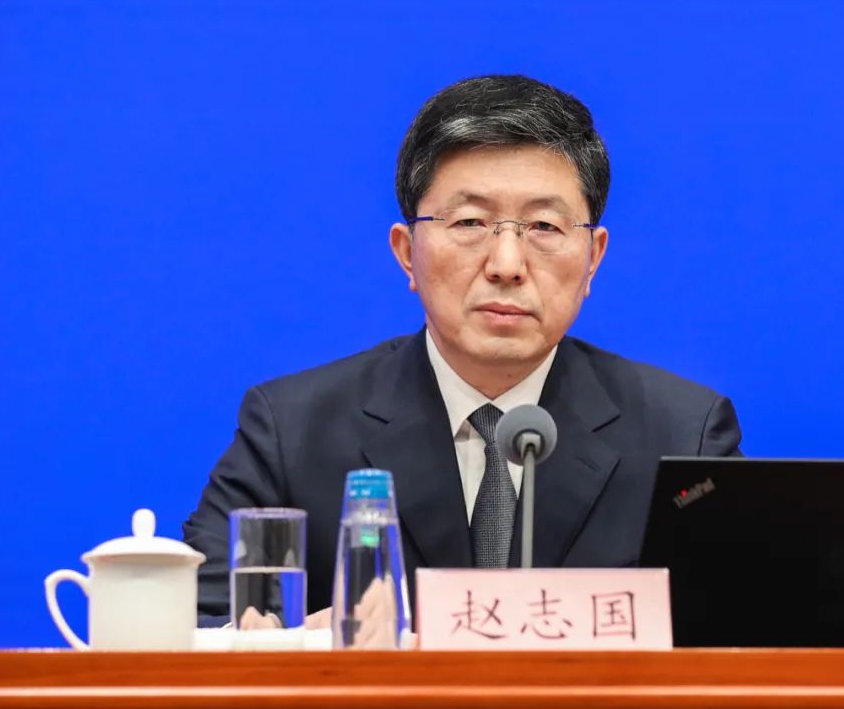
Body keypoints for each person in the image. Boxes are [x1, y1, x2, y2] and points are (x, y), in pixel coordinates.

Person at [183, 74, 742, 626]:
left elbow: (748, 632)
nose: (507, 265)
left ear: (593, 257)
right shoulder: (292, 430)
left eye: (544, 226)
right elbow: (198, 622)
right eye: (471, 222)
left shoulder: (683, 437)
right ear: (407, 252)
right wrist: (299, 648)